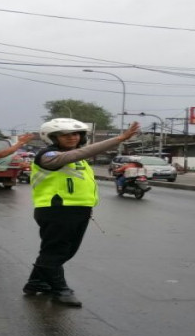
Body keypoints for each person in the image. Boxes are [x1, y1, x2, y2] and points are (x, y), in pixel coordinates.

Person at [25, 118, 141, 307]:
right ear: (53, 137)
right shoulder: (47, 156)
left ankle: (36, 282)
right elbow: (80, 153)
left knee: (65, 251)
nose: (72, 137)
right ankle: (60, 290)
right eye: (65, 134)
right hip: (57, 210)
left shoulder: (75, 156)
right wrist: (119, 139)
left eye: (76, 133)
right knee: (56, 252)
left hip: (78, 209)